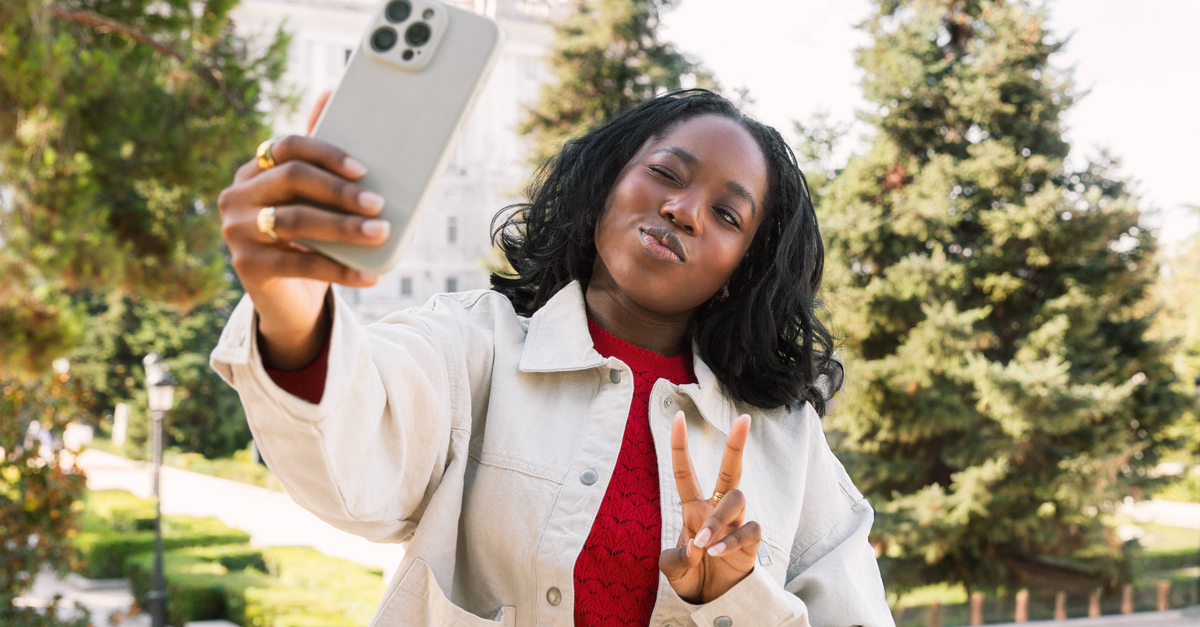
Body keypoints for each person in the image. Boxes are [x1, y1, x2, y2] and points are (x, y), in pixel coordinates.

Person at [212, 89, 893, 626]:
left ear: (744, 269)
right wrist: (288, 299)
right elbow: (355, 448)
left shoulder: (786, 442)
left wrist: (734, 600)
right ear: (602, 184)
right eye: (664, 173)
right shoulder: (473, 345)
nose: (684, 209)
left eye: (727, 215)